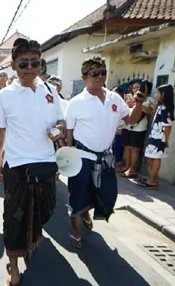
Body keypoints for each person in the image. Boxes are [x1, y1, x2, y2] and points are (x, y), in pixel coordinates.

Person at [0, 38, 64, 285]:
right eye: (24, 64)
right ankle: (14, 268)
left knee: (45, 210)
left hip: (46, 163)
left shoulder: (50, 91)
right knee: (13, 219)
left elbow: (60, 121)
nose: (31, 68)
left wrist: (59, 130)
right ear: (14, 65)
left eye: (36, 62)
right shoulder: (4, 96)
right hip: (17, 166)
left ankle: (30, 245)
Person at [64, 56, 144, 249]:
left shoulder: (114, 98)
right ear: (84, 77)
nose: (100, 77)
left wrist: (138, 104)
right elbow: (68, 134)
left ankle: (85, 211)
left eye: (103, 73)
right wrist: (67, 159)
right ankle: (74, 227)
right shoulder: (75, 103)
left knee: (107, 195)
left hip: (106, 158)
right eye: (95, 73)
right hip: (83, 157)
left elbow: (131, 120)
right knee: (77, 193)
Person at [141, 84, 175, 188]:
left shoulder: (165, 109)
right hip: (154, 136)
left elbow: (168, 126)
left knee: (155, 158)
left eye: (157, 93)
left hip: (160, 138)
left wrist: (166, 140)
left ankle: (152, 180)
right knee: (150, 157)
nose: (155, 95)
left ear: (163, 94)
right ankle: (154, 177)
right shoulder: (160, 107)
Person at [118, 79, 154, 178]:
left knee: (135, 149)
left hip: (139, 127)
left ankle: (132, 169)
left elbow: (150, 111)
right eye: (134, 87)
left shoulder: (148, 100)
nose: (136, 89)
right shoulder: (129, 97)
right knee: (126, 147)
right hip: (127, 126)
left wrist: (138, 105)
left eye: (138, 87)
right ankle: (127, 166)